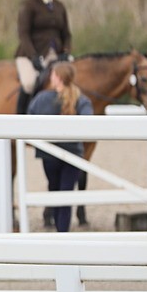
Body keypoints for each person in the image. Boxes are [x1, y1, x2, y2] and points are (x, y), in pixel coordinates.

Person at [27, 61, 93, 232]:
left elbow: (29, 117)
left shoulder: (41, 98)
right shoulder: (81, 100)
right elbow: (89, 122)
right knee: (66, 194)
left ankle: (59, 231)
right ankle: (62, 232)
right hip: (73, 154)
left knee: (54, 190)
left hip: (48, 156)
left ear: (57, 77)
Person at [14, 0, 72, 114]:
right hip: (30, 54)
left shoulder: (60, 6)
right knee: (29, 83)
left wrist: (66, 51)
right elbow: (23, 34)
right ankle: (21, 118)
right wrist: (33, 56)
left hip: (56, 54)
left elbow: (66, 33)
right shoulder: (28, 5)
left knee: (73, 79)